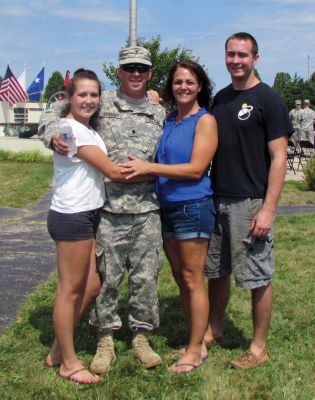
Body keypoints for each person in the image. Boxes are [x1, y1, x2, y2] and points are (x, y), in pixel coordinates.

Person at [38, 46, 166, 374]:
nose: (135, 73)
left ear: (149, 73)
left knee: (145, 278)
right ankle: (105, 339)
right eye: (129, 68)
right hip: (107, 211)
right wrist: (53, 135)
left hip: (146, 210)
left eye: (141, 68)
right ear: (119, 72)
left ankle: (141, 337)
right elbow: (54, 111)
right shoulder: (100, 101)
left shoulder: (159, 110)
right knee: (105, 280)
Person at [119, 61, 218, 374]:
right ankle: (196, 340)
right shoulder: (171, 119)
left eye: (189, 82)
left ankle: (195, 350)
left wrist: (150, 169)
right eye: (177, 82)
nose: (183, 87)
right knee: (181, 279)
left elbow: (196, 168)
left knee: (192, 279)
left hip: (193, 207)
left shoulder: (205, 121)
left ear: (200, 85)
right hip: (168, 207)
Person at [203, 32, 293, 369]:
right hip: (217, 199)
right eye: (231, 54)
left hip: (252, 202)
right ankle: (214, 330)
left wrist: (268, 208)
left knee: (257, 276)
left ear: (256, 57)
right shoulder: (220, 99)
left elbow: (279, 158)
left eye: (242, 55)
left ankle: (258, 346)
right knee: (217, 271)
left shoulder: (269, 100)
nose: (236, 61)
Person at [46, 69, 131, 384]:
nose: (89, 100)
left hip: (89, 214)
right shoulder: (70, 130)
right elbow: (114, 172)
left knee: (92, 286)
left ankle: (57, 348)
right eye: (82, 94)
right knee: (70, 290)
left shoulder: (87, 128)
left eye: (94, 95)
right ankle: (68, 362)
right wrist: (158, 170)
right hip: (72, 216)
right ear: (70, 97)